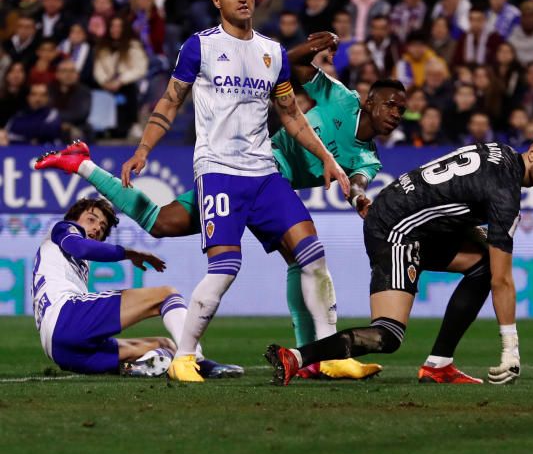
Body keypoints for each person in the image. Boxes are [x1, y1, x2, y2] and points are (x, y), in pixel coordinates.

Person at [37, 33, 405, 381]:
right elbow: (283, 68)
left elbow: (357, 181)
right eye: (390, 104)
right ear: (369, 100)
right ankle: (83, 165)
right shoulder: (340, 97)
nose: (396, 114)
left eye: (402, 110)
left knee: (306, 255)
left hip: (269, 185)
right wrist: (307, 48)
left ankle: (322, 356)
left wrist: (358, 197)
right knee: (175, 231)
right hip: (249, 165)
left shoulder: (369, 157)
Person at [118, 0, 350, 383]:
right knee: (225, 269)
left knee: (313, 257)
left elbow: (290, 115)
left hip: (264, 173)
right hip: (219, 171)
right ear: (216, 0)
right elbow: (170, 101)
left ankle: (330, 354)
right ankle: (184, 358)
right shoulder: (199, 47)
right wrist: (143, 149)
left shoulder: (273, 52)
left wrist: (328, 159)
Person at [265, 126, 533, 386]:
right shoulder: (505, 193)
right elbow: (503, 280)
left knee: (483, 263)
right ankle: (296, 357)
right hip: (397, 230)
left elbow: (452, 194)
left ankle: (439, 364)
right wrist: (510, 349)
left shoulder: (498, 152)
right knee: (388, 336)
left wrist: (474, 233)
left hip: (400, 212)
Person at [30, 197, 239, 378]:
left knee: (166, 344)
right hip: (66, 316)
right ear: (73, 219)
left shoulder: (68, 259)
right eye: (91, 219)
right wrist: (130, 253)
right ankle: (198, 362)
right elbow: (80, 246)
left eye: (102, 227)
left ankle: (138, 367)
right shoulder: (64, 228)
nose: (96, 228)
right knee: (166, 295)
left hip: (61, 350)